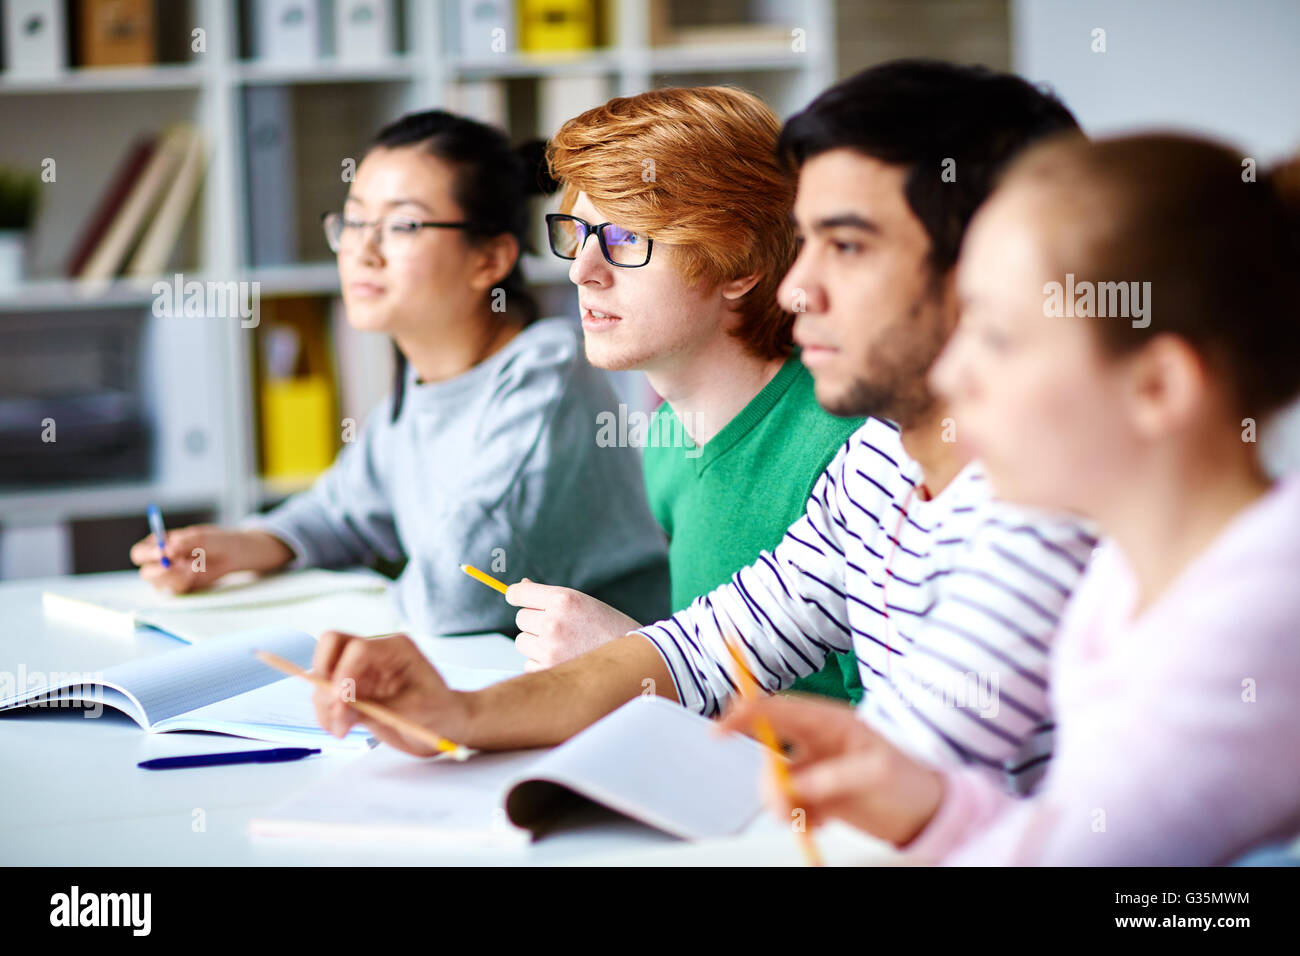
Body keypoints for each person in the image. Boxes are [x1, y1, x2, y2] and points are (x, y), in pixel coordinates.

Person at [306, 62, 1094, 798]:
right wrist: (457, 714)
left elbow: (895, 786)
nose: (800, 282)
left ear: (988, 269)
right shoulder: (878, 466)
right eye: (809, 239)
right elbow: (703, 649)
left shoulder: (1039, 507)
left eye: (847, 245)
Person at [723, 133, 1300, 865]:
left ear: (1157, 388)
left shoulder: (1254, 621)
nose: (952, 372)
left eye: (995, 338)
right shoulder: (1132, 571)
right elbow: (1070, 833)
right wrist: (924, 804)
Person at [130, 109, 670, 636]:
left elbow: (456, 595)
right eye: (355, 220)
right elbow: (339, 511)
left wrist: (343, 598)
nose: (362, 251)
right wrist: (236, 549)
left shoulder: (543, 377)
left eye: (402, 225)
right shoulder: (421, 383)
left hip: (612, 691)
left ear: (490, 260)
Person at [503, 86, 864, 703]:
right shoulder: (668, 438)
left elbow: (901, 750)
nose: (582, 270)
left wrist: (637, 664)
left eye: (623, 237)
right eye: (577, 232)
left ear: (739, 266)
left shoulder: (850, 447)